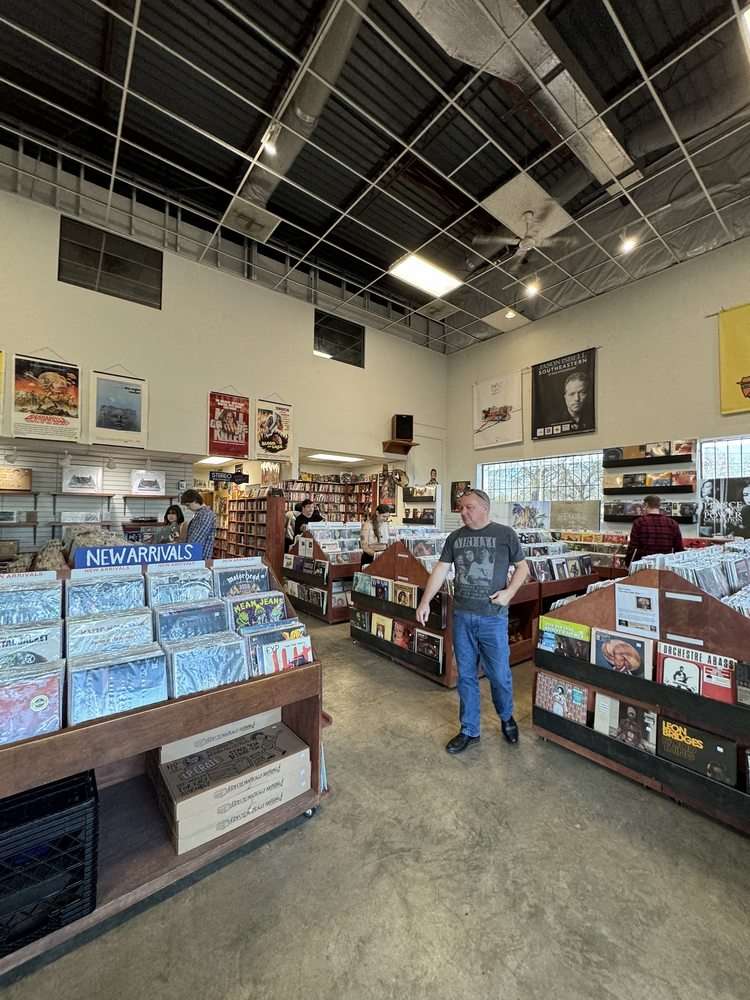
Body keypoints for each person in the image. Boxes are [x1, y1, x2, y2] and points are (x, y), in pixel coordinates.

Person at [416, 488, 529, 754]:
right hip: (463, 616)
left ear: (483, 508)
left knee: (499, 675)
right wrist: (424, 602)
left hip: (493, 618)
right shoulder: (455, 538)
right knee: (466, 675)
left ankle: (506, 717)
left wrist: (509, 592)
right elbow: (441, 570)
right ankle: (469, 729)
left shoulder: (505, 535)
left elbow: (523, 567)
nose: (462, 512)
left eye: (468, 507)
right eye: (460, 508)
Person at [624, 494, 684, 565]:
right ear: (659, 506)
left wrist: (628, 563)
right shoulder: (672, 523)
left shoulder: (639, 522)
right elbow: (679, 549)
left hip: (644, 565)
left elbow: (633, 547)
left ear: (646, 505)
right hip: (665, 565)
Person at [180, 489, 216, 558]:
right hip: (196, 556)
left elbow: (196, 541)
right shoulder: (200, 514)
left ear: (195, 500)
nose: (188, 508)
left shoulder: (206, 515)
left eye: (188, 505)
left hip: (201, 558)